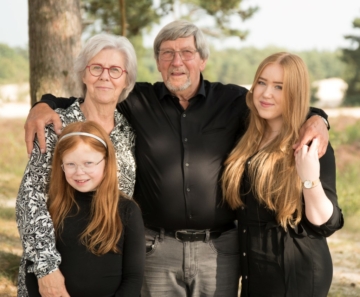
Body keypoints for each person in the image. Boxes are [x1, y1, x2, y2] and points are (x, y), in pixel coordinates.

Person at [24, 20, 330, 297]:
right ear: (157, 62)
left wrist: (319, 118)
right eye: (167, 53)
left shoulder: (234, 100)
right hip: (157, 249)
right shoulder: (138, 99)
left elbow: (279, 102)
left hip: (219, 251)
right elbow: (97, 91)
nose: (177, 61)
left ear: (202, 59)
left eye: (186, 52)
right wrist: (43, 105)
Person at [16, 33, 138, 297]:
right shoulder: (55, 125)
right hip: (53, 276)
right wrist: (47, 269)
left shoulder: (130, 131)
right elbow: (31, 198)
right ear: (84, 75)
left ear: (127, 79)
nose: (105, 76)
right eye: (96, 67)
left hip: (105, 277)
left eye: (115, 70)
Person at [222, 52, 344, 297]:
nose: (266, 93)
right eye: (262, 82)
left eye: (279, 87)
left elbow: (325, 222)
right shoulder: (246, 134)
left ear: (294, 93)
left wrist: (310, 178)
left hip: (295, 269)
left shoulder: (309, 143)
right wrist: (320, 117)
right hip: (254, 269)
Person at [25, 121, 145, 296]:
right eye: (70, 164)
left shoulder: (127, 210)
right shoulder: (50, 209)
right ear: (61, 165)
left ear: (106, 162)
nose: (79, 172)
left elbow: (134, 277)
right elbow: (34, 267)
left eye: (88, 163)